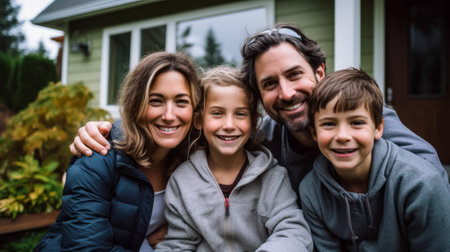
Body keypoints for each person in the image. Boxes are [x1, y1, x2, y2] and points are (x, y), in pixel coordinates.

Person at [69, 23, 447, 201]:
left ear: (319, 72)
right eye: (269, 84)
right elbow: (188, 135)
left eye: (295, 75)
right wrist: (109, 130)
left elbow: (429, 179)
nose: (286, 93)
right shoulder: (265, 135)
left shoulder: (364, 123)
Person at [34, 52, 200, 251]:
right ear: (135, 104)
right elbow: (87, 247)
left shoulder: (194, 159)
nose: (169, 115)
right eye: (156, 100)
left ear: (196, 111)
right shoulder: (97, 155)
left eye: (181, 102)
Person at [155, 66, 313, 251]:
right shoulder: (182, 181)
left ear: (254, 122)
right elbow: (178, 244)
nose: (229, 125)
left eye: (240, 114)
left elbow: (293, 231)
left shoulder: (272, 177)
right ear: (199, 120)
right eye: (217, 113)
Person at [299, 68, 450, 251]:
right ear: (314, 133)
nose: (343, 136)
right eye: (329, 124)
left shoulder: (421, 185)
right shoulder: (311, 191)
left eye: (356, 122)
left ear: (378, 128)